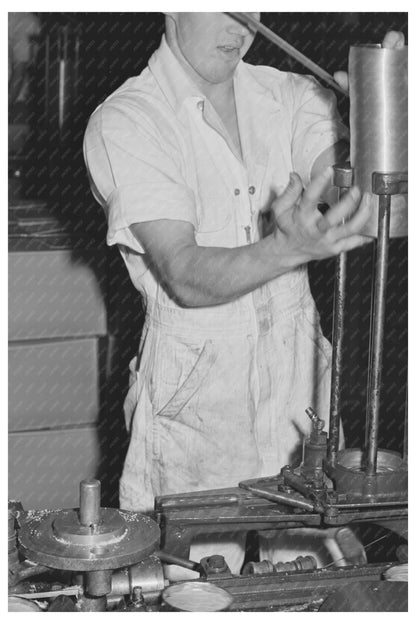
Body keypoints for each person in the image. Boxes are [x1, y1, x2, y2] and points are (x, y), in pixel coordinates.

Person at [84, 13, 405, 575]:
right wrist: (290, 248)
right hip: (194, 411)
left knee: (324, 590)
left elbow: (386, 217)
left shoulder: (289, 96)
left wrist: (391, 124)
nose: (244, 25)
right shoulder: (127, 119)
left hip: (300, 401)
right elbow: (184, 274)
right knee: (186, 588)